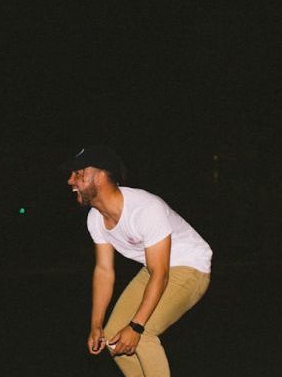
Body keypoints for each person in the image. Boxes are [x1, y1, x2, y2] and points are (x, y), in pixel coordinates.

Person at [62, 144, 212, 376]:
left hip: (190, 266)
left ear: (101, 176)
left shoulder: (145, 209)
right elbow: (104, 271)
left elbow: (160, 274)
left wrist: (136, 326)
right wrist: (96, 325)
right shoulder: (95, 218)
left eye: (79, 173)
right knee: (115, 339)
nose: (71, 181)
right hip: (154, 268)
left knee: (142, 333)